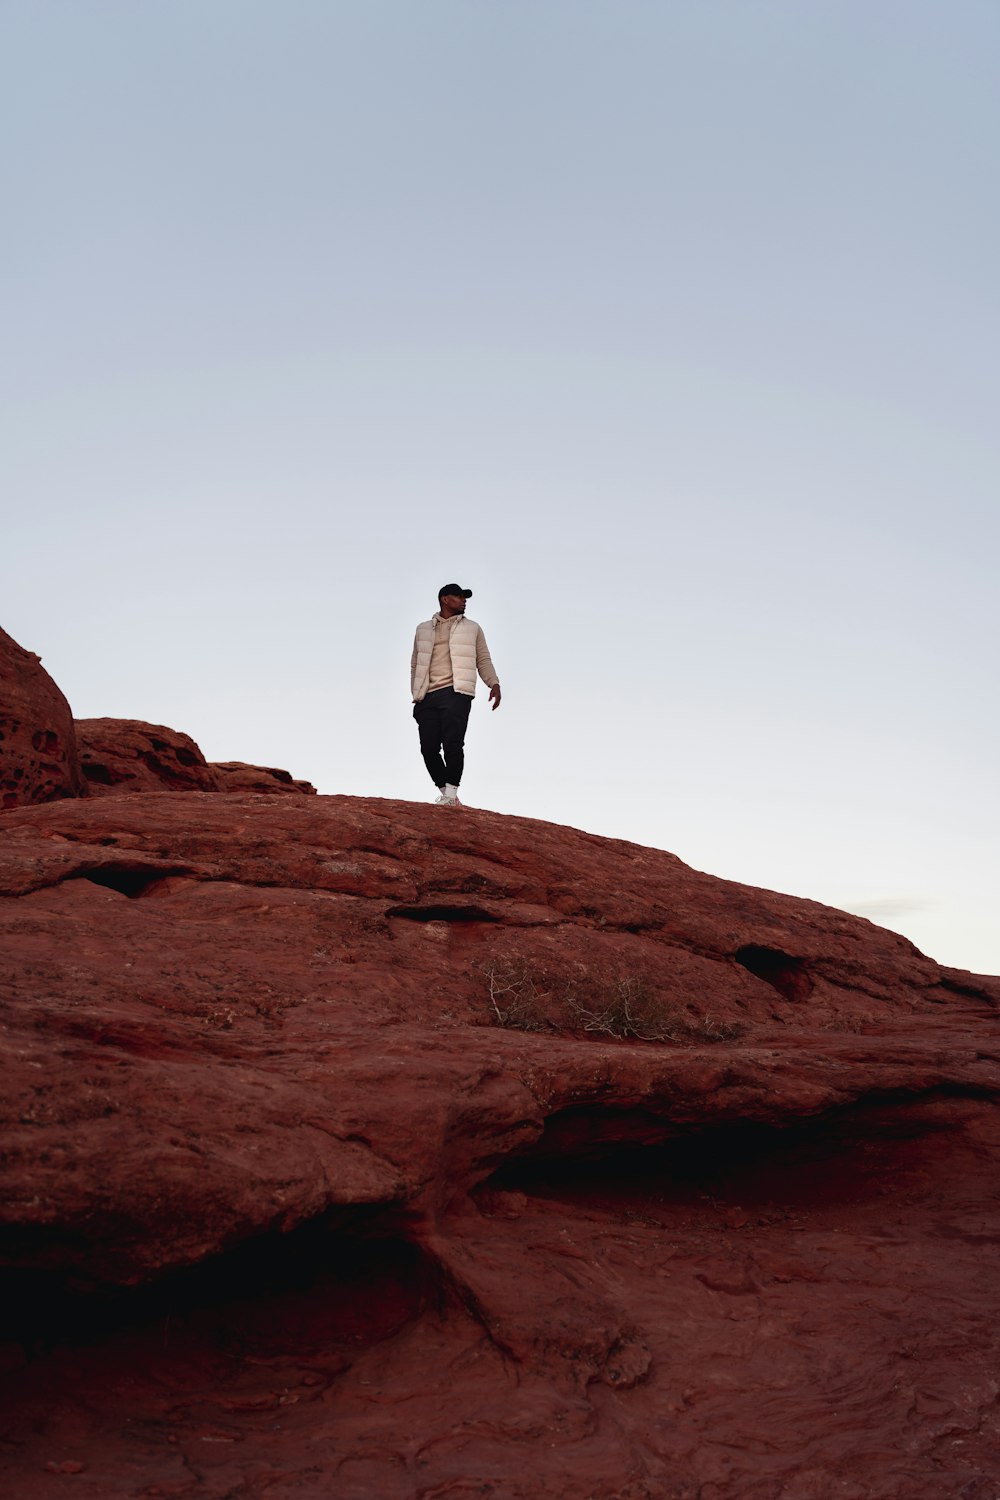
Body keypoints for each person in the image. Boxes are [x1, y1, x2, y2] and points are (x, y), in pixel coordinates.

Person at [410, 584, 501, 806]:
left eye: (464, 597)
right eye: (459, 596)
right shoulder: (422, 629)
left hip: (456, 692)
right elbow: (415, 662)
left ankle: (450, 795)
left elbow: (483, 659)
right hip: (427, 696)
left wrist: (494, 683)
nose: (464, 600)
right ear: (444, 599)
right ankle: (447, 793)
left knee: (453, 744)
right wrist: (416, 691)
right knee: (428, 749)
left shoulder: (472, 628)